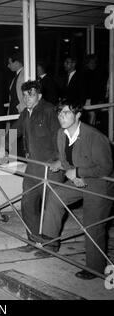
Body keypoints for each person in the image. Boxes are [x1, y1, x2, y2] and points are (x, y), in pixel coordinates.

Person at [37, 101, 114, 280]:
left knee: (92, 225)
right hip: (79, 180)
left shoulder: (94, 136)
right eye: (59, 113)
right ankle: (50, 242)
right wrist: (62, 165)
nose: (61, 117)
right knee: (55, 195)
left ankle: (94, 268)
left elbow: (106, 168)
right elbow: (67, 160)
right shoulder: (61, 133)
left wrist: (79, 173)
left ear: (78, 115)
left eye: (66, 113)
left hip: (100, 185)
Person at [12, 80, 64, 253]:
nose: (27, 98)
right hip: (33, 166)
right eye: (24, 95)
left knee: (51, 208)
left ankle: (51, 245)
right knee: (27, 203)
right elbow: (14, 132)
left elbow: (61, 137)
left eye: (31, 94)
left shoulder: (49, 110)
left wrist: (60, 160)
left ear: (39, 96)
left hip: (51, 167)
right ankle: (34, 241)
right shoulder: (26, 113)